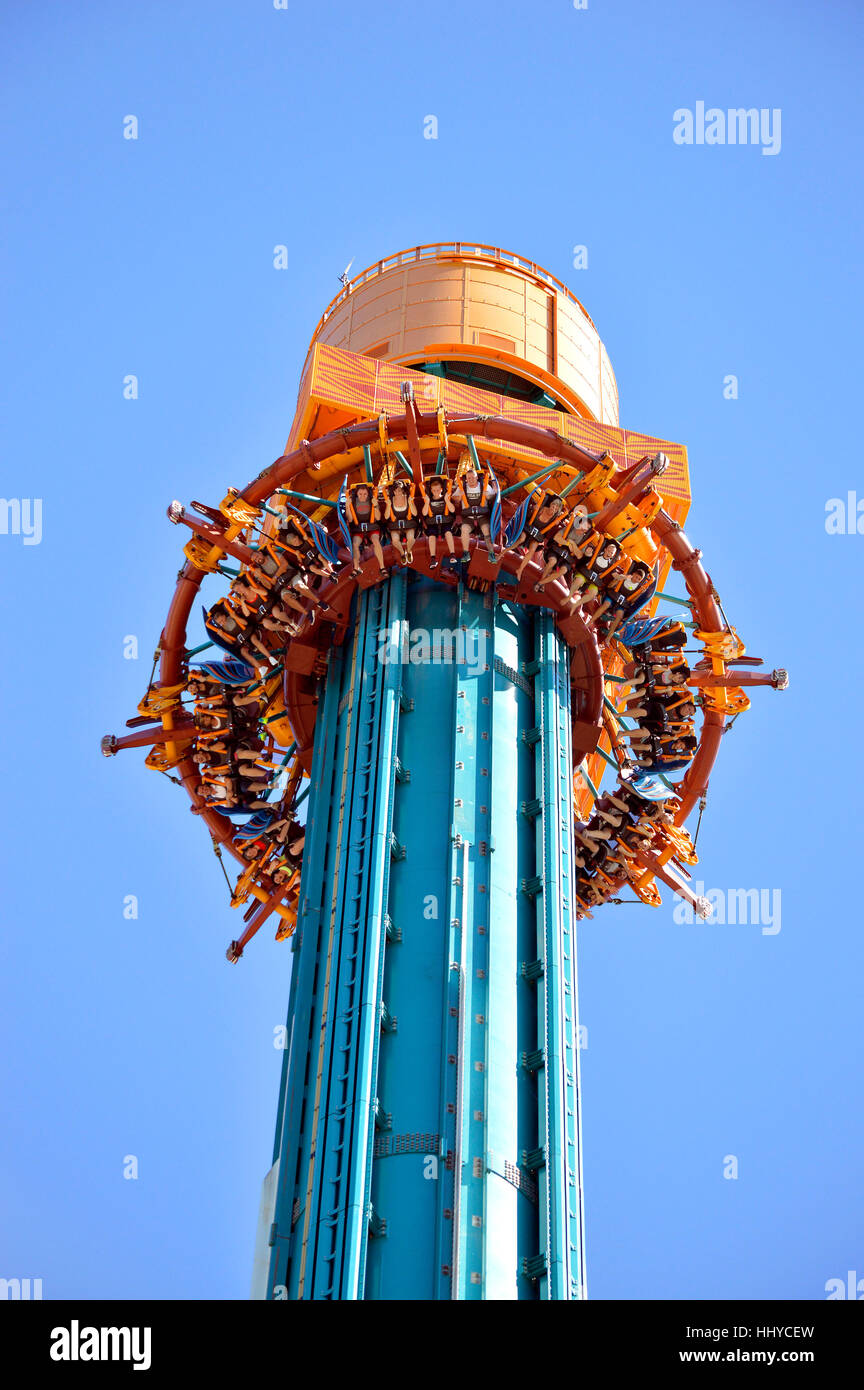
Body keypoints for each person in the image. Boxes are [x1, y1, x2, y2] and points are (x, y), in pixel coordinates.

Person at [456, 452, 498, 562]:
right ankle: (466, 553)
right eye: (468, 478)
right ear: (466, 479)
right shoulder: (462, 487)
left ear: (476, 477)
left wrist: (489, 495)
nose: (471, 480)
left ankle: (491, 553)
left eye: (473, 478)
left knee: (486, 530)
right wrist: (458, 497)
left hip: (482, 516)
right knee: (464, 530)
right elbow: (454, 499)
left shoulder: (484, 486)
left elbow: (493, 497)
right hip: (468, 517)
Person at [344, 482, 387, 575]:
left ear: (368, 494)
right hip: (358, 528)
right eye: (360, 494)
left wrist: (375, 506)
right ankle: (356, 567)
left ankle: (382, 566)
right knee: (355, 544)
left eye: (365, 494)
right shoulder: (353, 503)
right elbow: (350, 519)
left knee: (376, 541)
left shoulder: (372, 501)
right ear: (357, 494)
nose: (363, 496)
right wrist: (347, 507)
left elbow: (378, 518)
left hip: (372, 527)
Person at [419, 474, 457, 568]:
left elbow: (452, 510)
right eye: (434, 490)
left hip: (445, 522)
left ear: (441, 489)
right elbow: (424, 513)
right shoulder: (429, 499)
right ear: (431, 491)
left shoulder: (446, 498)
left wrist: (447, 500)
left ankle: (452, 553)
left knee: (448, 532)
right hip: (433, 524)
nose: (436, 492)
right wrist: (427, 502)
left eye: (438, 490)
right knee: (431, 536)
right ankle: (433, 558)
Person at [382, 479, 417, 565]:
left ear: (403, 490)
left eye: (400, 490)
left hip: (408, 524)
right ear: (393, 491)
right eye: (396, 491)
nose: (398, 493)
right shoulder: (390, 500)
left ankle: (408, 551)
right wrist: (388, 505)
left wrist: (411, 503)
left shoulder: (407, 498)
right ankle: (402, 553)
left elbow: (415, 513)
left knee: (411, 538)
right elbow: (386, 516)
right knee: (395, 540)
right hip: (395, 526)